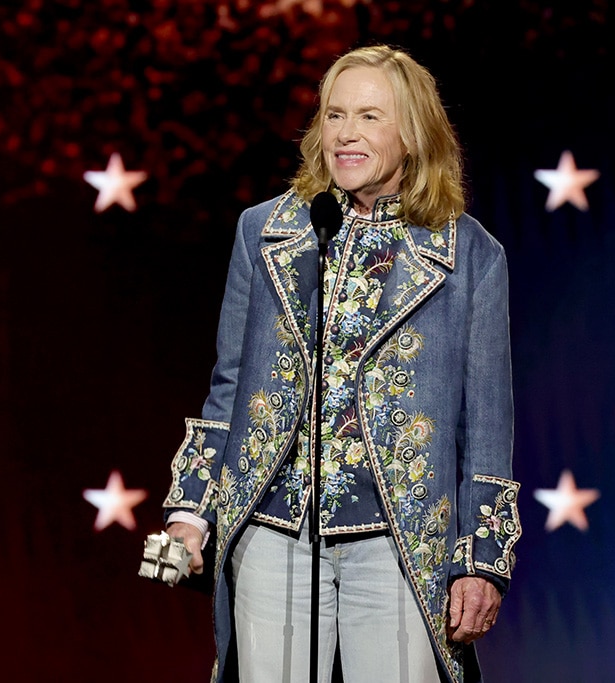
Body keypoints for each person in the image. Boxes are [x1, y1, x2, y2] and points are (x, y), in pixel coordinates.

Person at [162, 44, 521, 683]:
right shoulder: (266, 231)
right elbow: (230, 386)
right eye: (335, 115)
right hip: (272, 528)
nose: (346, 133)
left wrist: (481, 562)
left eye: (370, 117)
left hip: (399, 542)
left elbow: (487, 425)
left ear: (413, 135)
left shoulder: (470, 256)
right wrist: (191, 514)